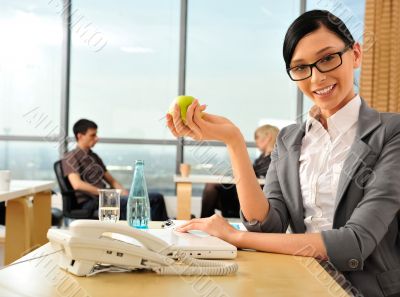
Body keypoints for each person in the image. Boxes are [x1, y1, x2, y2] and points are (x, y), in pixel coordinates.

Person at [166, 10, 400, 297]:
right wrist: (235, 142)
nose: (317, 77)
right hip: (297, 278)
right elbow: (267, 226)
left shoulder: (391, 133)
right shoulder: (290, 139)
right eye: (301, 67)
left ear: (356, 54)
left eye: (327, 58)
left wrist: (233, 236)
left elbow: (355, 242)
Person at [62, 119, 168, 221]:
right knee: (128, 203)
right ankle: (130, 235)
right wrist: (106, 194)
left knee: (157, 198)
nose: (97, 138)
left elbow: (112, 181)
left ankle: (160, 231)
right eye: (92, 135)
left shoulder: (93, 157)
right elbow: (77, 184)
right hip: (91, 202)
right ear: (80, 136)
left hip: (106, 197)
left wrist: (125, 193)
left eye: (96, 134)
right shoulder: (71, 157)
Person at [201, 124, 279, 218]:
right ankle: (205, 219)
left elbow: (256, 176)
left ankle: (204, 218)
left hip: (254, 195)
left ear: (268, 137)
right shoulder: (262, 158)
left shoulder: (274, 158)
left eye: (257, 137)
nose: (256, 141)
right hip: (248, 190)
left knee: (212, 187)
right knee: (212, 186)